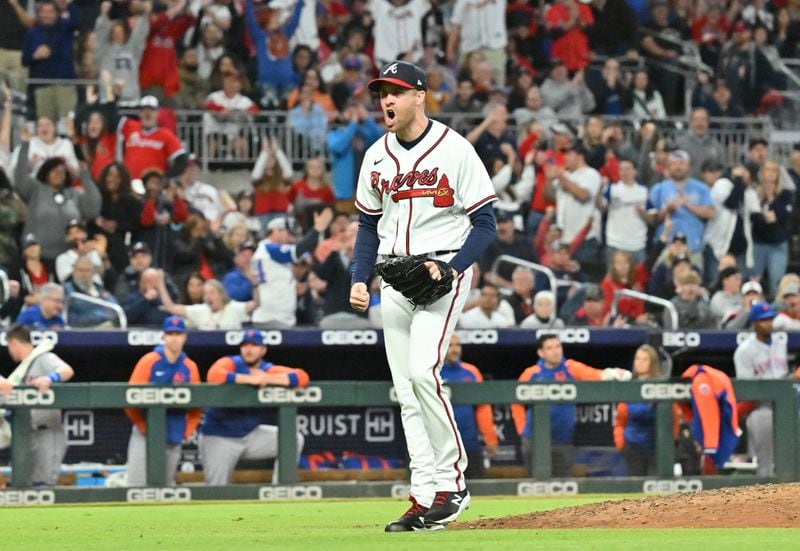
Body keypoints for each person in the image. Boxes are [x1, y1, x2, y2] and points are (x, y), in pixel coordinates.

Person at [349, 61, 498, 532]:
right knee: (406, 391)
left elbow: (486, 224)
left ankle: (453, 485)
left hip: (443, 270)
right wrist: (359, 276)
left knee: (422, 371)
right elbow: (368, 225)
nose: (386, 101)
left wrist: (451, 269)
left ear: (419, 96)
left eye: (395, 92)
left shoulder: (455, 149)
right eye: (381, 93)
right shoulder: (376, 155)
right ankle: (423, 494)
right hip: (393, 275)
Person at [200, 329, 309, 485]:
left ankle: (282, 490)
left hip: (250, 436)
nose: (249, 349)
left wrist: (268, 378)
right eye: (245, 345)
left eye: (254, 345)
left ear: (263, 350)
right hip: (220, 436)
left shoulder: (266, 370)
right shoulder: (231, 363)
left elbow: (301, 376)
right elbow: (213, 375)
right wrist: (249, 380)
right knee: (216, 491)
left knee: (294, 438)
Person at [512, 334, 630, 477]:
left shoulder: (570, 367)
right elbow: (515, 401)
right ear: (541, 353)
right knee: (536, 483)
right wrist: (522, 428)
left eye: (558, 346)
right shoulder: (531, 374)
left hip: (562, 440)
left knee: (563, 485)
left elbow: (593, 375)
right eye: (550, 348)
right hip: (534, 439)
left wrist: (613, 373)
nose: (555, 351)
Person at [124, 315, 201, 487]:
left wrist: (188, 429)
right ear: (163, 336)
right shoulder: (149, 361)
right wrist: (141, 425)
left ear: (184, 337)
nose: (174, 338)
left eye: (178, 334)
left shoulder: (190, 366)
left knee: (164, 488)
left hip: (173, 434)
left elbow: (197, 404)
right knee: (137, 485)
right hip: (146, 434)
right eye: (170, 334)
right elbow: (129, 398)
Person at [0, 324, 74, 486]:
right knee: (22, 485)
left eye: (9, 346)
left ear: (14, 342)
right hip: (26, 434)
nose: (10, 351)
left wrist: (49, 378)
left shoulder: (42, 357)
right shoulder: (23, 369)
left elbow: (67, 370)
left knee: (43, 486)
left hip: (47, 432)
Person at [733, 301, 788, 477]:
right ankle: (764, 501)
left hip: (785, 405)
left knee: (792, 455)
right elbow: (748, 391)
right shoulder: (744, 351)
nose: (768, 323)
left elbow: (783, 375)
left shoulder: (780, 343)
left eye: (770, 319)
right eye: (764, 320)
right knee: (765, 460)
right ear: (754, 323)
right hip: (760, 407)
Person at [439, 334, 498, 479]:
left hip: (469, 444)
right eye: (450, 345)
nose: (455, 349)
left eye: (457, 345)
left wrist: (490, 438)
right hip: (441, 447)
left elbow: (483, 409)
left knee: (477, 489)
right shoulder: (433, 372)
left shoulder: (471, 371)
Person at [614, 344, 668, 476]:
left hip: (657, 448)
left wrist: (670, 445)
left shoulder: (661, 387)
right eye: (637, 359)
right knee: (636, 492)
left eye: (645, 359)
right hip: (633, 448)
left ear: (653, 363)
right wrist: (621, 444)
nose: (640, 363)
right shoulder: (628, 387)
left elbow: (672, 420)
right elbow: (620, 421)